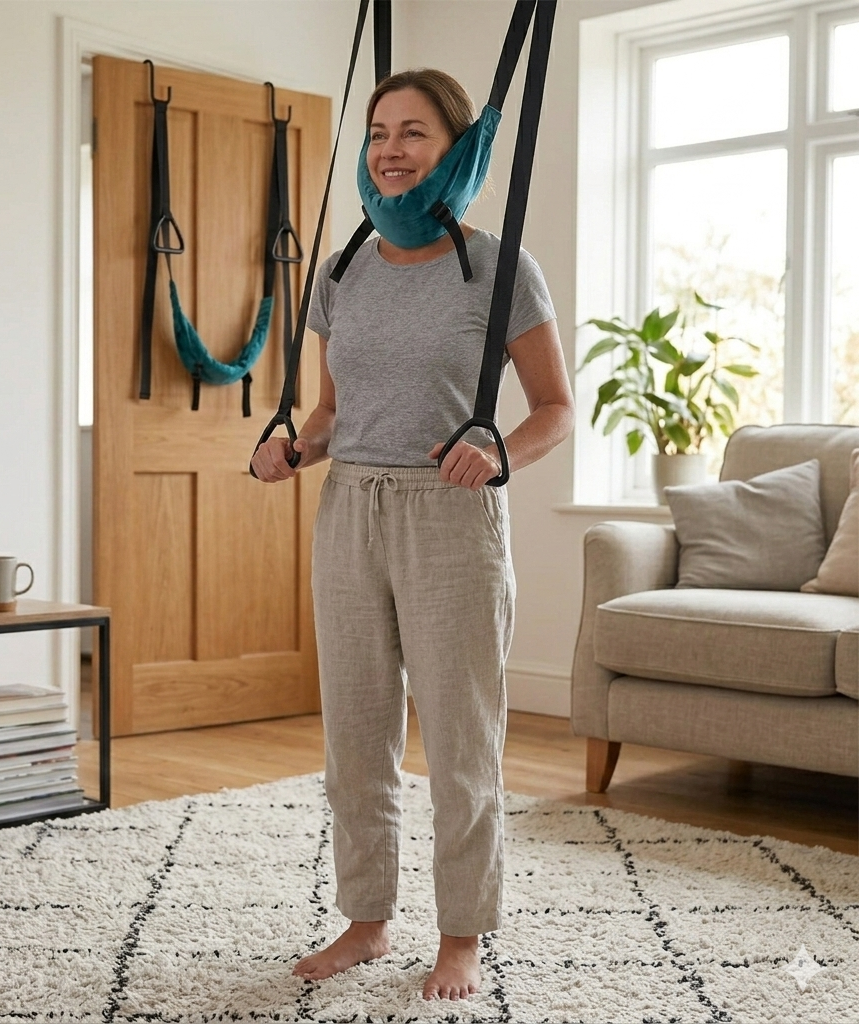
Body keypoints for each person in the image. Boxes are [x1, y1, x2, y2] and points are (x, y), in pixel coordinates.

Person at [250, 68, 574, 1002]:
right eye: (379, 132)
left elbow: (555, 409)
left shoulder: (502, 269)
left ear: (458, 149)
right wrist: (293, 449)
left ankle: (463, 932)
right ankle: (365, 920)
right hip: (350, 508)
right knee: (355, 730)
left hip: (450, 515)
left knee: (462, 737)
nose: (390, 150)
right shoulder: (342, 270)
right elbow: (330, 412)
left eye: (415, 133)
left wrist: (500, 453)